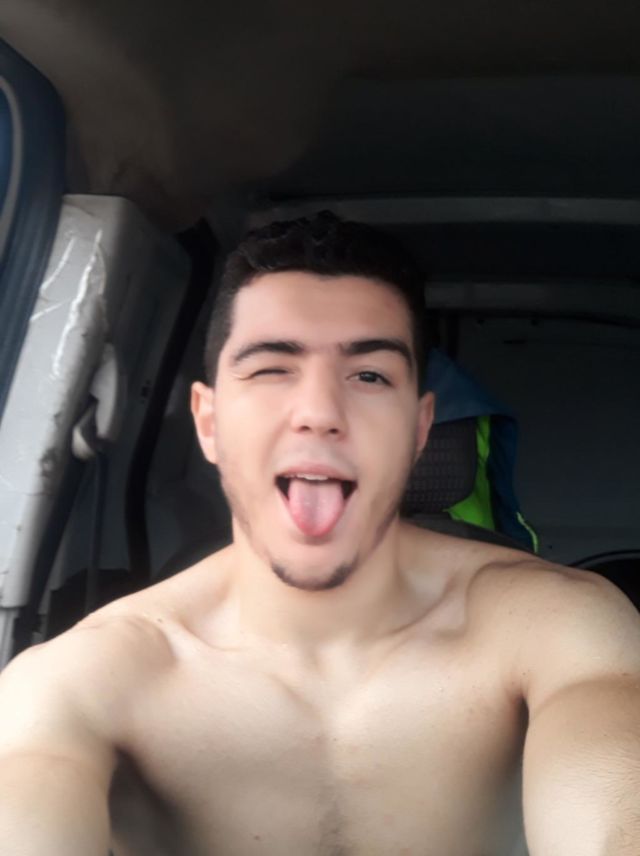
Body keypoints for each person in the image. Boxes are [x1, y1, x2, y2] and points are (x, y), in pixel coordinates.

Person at [0, 212, 639, 856]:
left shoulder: (559, 626)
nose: (319, 413)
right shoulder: (81, 681)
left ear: (419, 430)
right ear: (209, 422)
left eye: (370, 375)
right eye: (271, 369)